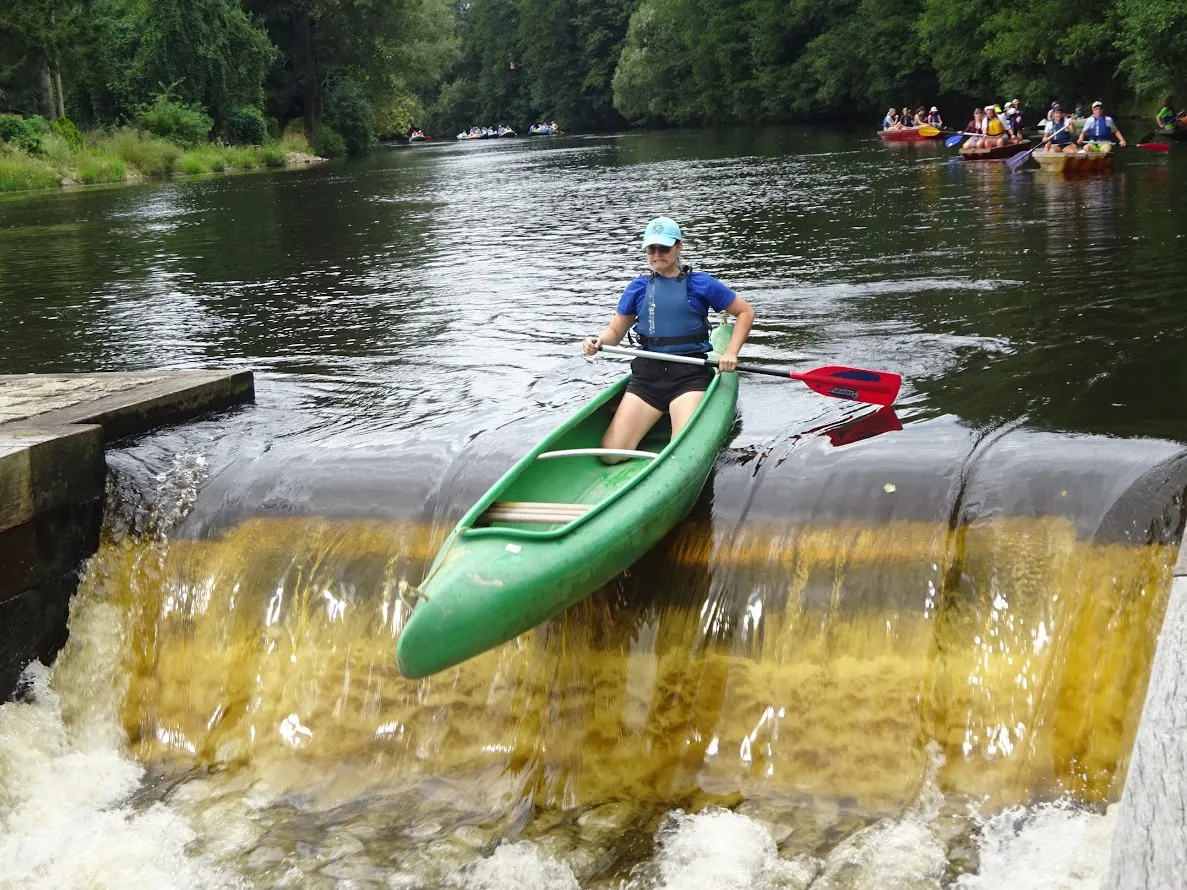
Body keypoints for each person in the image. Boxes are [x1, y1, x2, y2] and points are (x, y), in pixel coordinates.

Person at [582, 217, 755, 461]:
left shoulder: (701, 283)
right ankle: (654, 415)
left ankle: (672, 418)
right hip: (647, 377)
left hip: (689, 376)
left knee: (682, 450)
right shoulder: (637, 287)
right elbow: (615, 333)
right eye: (651, 249)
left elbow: (745, 312)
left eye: (664, 248)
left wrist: (731, 353)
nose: (657, 254)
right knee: (610, 456)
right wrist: (598, 342)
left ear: (678, 247)